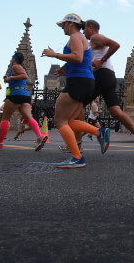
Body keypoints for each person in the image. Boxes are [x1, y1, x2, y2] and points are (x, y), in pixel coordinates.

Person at [42, 13, 110, 168]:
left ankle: (77, 158)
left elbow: (78, 57)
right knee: (70, 121)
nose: (62, 28)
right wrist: (65, 71)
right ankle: (99, 133)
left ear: (70, 24)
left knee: (59, 120)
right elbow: (82, 62)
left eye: (63, 25)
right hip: (85, 81)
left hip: (78, 82)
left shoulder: (75, 37)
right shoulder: (81, 38)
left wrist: (55, 54)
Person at [83, 19, 134, 159]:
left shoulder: (96, 37)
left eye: (84, 29)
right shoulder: (91, 43)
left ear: (91, 28)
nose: (83, 32)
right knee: (116, 111)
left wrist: (101, 61)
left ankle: (82, 140)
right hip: (108, 76)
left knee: (76, 106)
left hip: (99, 76)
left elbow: (115, 45)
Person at [0, 53, 47, 150]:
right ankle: (40, 136)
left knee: (5, 118)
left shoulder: (16, 66)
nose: (11, 59)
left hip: (15, 94)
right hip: (25, 95)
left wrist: (11, 78)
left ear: (14, 58)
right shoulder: (18, 67)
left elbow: (24, 76)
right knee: (29, 118)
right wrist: (8, 79)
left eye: (12, 57)